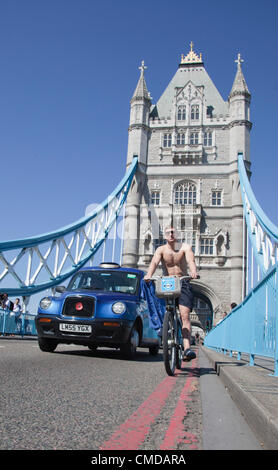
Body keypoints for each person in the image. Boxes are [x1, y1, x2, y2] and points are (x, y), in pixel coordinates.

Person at [144, 226, 198, 361]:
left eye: (173, 232)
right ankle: (168, 329)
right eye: (168, 232)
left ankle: (186, 348)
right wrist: (149, 275)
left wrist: (193, 271)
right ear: (165, 236)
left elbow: (191, 261)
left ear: (178, 234)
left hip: (183, 282)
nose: (171, 234)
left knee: (185, 315)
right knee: (166, 311)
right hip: (167, 283)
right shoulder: (161, 250)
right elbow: (154, 262)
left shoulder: (185, 247)